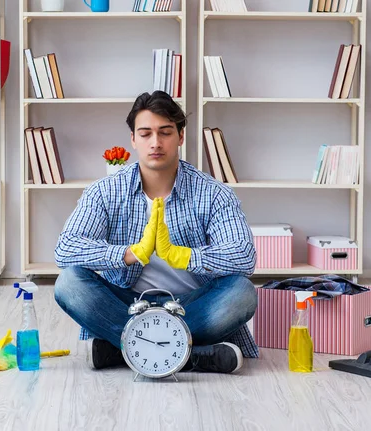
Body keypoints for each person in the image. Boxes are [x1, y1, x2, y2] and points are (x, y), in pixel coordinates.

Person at [53, 90, 259, 374]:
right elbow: (66, 249)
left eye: (165, 132)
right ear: (133, 140)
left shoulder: (213, 193)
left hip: (191, 305)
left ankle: (122, 349)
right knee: (68, 282)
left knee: (242, 292)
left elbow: (244, 256)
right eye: (146, 133)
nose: (156, 142)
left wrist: (183, 256)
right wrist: (128, 253)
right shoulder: (105, 191)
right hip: (128, 304)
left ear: (181, 136)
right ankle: (194, 356)